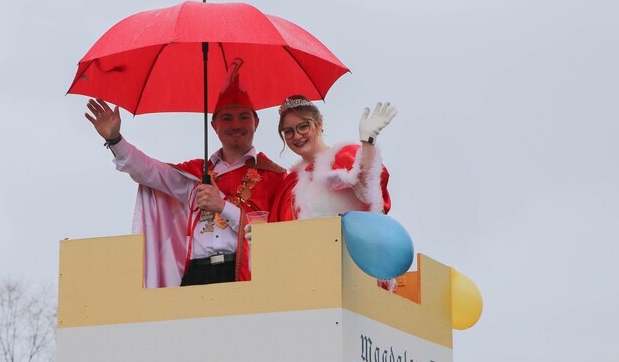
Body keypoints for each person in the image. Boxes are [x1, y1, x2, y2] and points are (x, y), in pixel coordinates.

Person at [84, 62, 286, 288]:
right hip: (196, 274)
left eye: (243, 117)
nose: (235, 125)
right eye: (227, 118)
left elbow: (277, 237)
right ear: (214, 125)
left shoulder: (274, 177)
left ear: (256, 122)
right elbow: (149, 171)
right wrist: (115, 140)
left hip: (245, 276)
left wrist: (223, 207)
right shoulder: (196, 174)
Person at [268, 95, 398, 290]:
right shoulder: (289, 184)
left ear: (319, 123)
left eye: (303, 126)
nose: (296, 136)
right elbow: (282, 237)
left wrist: (368, 143)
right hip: (305, 279)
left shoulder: (345, 156)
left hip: (350, 273)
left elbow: (367, 191)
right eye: (288, 131)